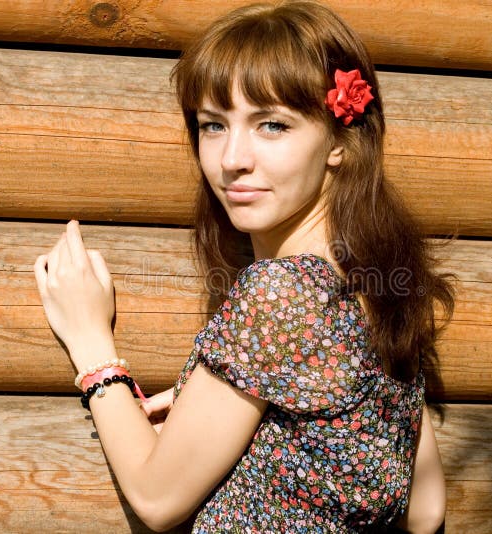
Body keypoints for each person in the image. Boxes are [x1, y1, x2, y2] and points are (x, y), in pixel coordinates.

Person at [34, 1, 454, 532]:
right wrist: (254, 434)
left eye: (272, 125)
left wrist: (92, 343)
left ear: (341, 140)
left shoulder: (283, 293)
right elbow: (424, 509)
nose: (232, 158)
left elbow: (156, 499)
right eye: (213, 126)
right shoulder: (373, 285)